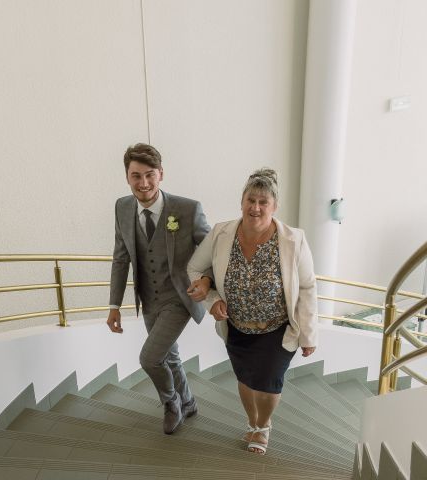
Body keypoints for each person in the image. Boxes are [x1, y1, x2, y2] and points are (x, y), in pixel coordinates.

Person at [187, 168, 317, 455]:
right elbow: (196, 268)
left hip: (278, 328)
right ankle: (252, 423)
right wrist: (211, 299)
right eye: (250, 200)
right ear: (242, 201)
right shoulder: (221, 233)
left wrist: (308, 334)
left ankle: (264, 425)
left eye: (263, 202)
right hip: (236, 326)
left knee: (270, 383)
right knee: (245, 378)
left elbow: (307, 287)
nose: (255, 208)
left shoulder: (293, 240)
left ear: (274, 206)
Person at [107, 143, 213, 434]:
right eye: (136, 176)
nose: (143, 183)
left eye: (150, 175)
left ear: (161, 174)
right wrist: (114, 306)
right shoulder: (122, 207)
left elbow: (212, 252)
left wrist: (206, 282)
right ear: (127, 177)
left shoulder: (188, 209)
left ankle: (171, 403)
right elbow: (121, 256)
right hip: (148, 299)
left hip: (179, 297)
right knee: (170, 356)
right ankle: (189, 401)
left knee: (150, 358)